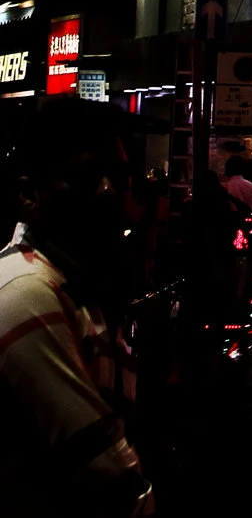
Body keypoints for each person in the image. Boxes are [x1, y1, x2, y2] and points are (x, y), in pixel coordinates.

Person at [0, 96, 155, 517]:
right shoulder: (28, 292)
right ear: (28, 194)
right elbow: (108, 474)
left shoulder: (74, 283)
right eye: (84, 177)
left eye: (119, 177)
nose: (108, 191)